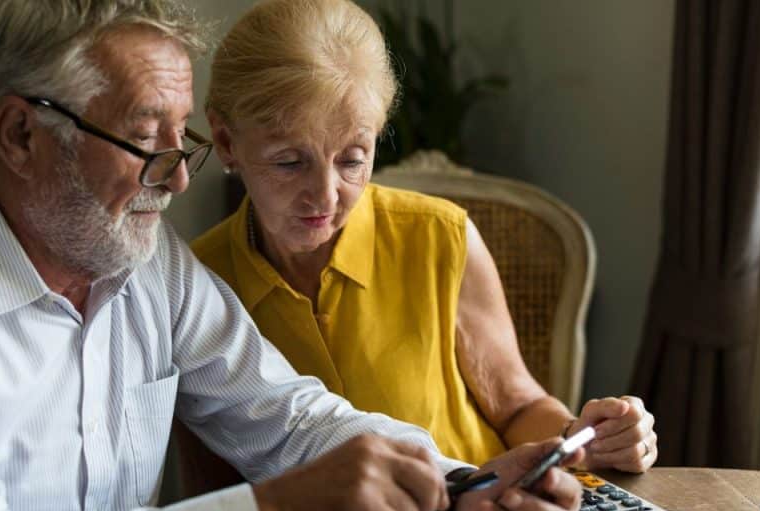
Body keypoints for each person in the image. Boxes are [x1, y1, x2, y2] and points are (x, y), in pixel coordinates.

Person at [0, 1, 582, 511]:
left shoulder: (147, 263)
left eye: (183, 143)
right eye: (143, 143)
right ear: (20, 134)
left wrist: (461, 488)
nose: (174, 181)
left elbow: (290, 418)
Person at [187, 0, 658, 485]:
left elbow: (519, 407)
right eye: (289, 162)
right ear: (225, 141)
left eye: (352, 160)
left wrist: (583, 436)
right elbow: (211, 493)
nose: (325, 195)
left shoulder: (440, 238)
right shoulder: (194, 285)